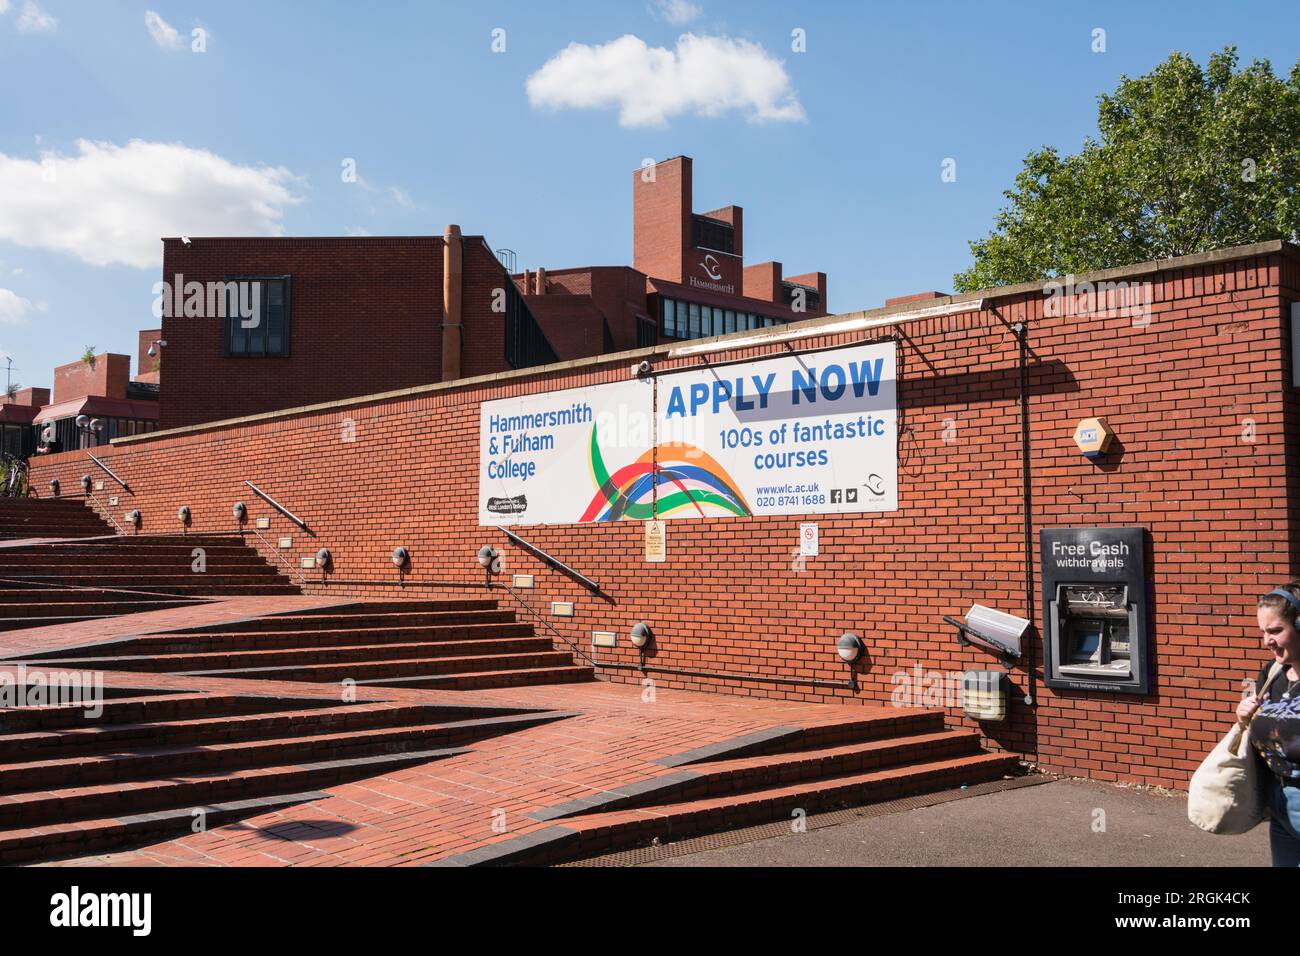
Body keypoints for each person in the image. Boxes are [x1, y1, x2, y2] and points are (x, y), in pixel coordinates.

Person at [1238, 585, 1300, 866]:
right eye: (1263, 632)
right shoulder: (1271, 674)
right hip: (1279, 803)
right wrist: (1243, 717)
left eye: (1275, 631)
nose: (1267, 641)